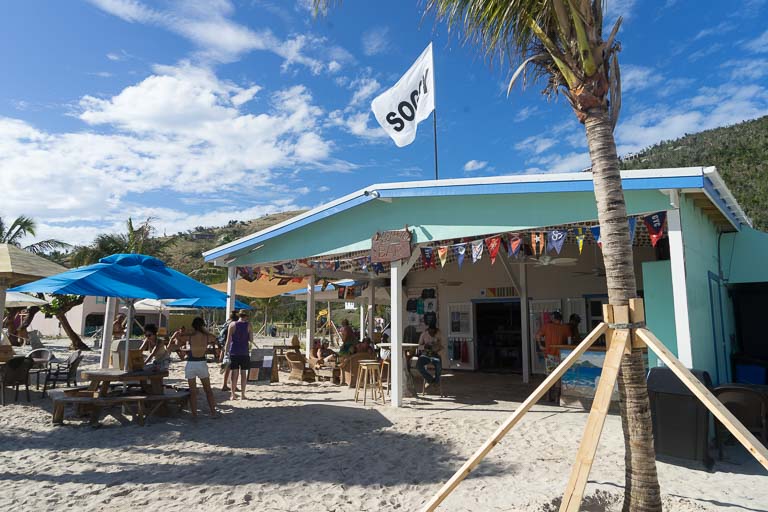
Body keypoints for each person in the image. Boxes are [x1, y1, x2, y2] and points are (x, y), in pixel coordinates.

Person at [178, 317, 217, 418]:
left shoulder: (190, 337)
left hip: (191, 363)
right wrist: (204, 330)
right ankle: (213, 412)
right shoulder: (207, 336)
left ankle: (194, 415)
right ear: (202, 325)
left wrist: (190, 332)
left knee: (193, 391)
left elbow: (179, 337)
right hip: (201, 363)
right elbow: (214, 337)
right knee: (208, 390)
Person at [535, 311, 571, 402]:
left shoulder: (547, 327)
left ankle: (548, 397)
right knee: (558, 377)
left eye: (551, 317)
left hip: (549, 355)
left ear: (554, 318)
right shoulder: (565, 328)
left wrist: (540, 345)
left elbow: (538, 336)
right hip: (561, 356)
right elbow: (570, 340)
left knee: (549, 376)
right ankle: (556, 398)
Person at [224, 309, 253, 401]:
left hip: (234, 352)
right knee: (243, 373)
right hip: (244, 352)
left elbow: (228, 341)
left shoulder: (232, 325)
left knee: (234, 373)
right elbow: (251, 340)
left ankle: (233, 395)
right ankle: (243, 394)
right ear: (246, 316)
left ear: (239, 315)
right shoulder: (249, 325)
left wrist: (225, 353)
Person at [218, 311, 239, 391]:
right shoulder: (234, 324)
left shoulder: (226, 323)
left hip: (225, 346)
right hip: (232, 346)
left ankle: (225, 385)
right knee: (234, 367)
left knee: (228, 366)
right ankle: (232, 385)